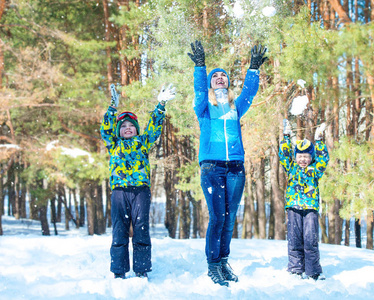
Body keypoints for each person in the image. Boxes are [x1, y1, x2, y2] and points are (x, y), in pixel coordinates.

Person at [187, 41, 267, 287]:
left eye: (223, 76)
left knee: (230, 217)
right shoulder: (204, 107)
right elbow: (199, 90)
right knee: (217, 217)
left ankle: (223, 261)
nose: (220, 78)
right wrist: (201, 66)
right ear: (211, 82)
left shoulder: (235, 106)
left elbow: (250, 93)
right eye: (216, 76)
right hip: (211, 167)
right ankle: (213, 264)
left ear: (228, 82)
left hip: (235, 168)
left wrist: (253, 68)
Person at [100, 83, 176, 279]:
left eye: (131, 125)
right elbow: (105, 131)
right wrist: (112, 109)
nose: (127, 128)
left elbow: (154, 127)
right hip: (119, 192)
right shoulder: (114, 144)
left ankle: (141, 269)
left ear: (136, 129)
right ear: (119, 130)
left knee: (141, 229)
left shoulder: (143, 142)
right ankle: (119, 271)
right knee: (119, 231)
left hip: (140, 191)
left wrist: (160, 106)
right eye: (123, 126)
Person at [278, 120, 329, 281]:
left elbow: (324, 158)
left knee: (310, 240)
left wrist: (319, 140)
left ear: (311, 157)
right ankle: (295, 269)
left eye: (306, 156)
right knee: (294, 239)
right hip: (293, 207)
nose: (303, 160)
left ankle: (313, 271)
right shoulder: (291, 167)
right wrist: (286, 136)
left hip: (310, 209)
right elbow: (284, 154)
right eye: (300, 156)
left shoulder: (315, 169)